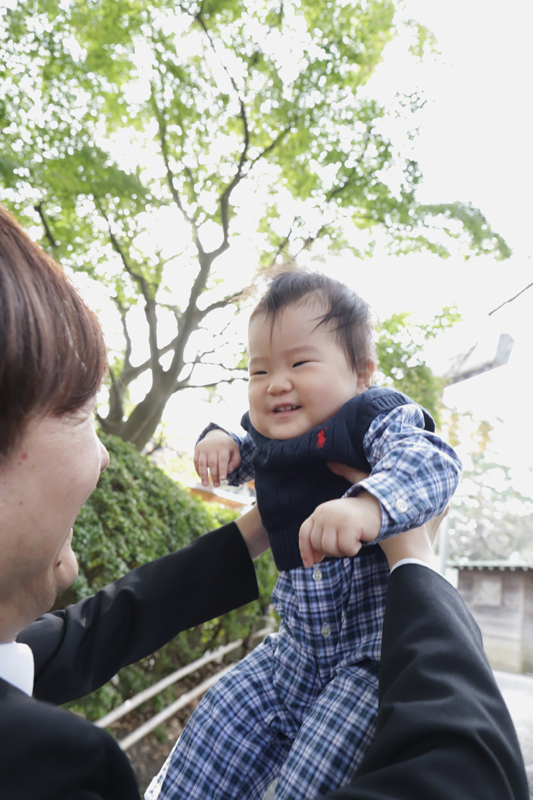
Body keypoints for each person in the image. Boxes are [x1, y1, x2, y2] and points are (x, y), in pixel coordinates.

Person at [149, 272, 463, 800]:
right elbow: (240, 457)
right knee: (215, 729)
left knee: (310, 782)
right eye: (259, 370)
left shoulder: (372, 418)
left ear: (361, 373)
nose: (276, 383)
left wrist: (369, 505)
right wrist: (219, 440)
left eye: (299, 364)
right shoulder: (270, 434)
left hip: (368, 661)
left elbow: (435, 462)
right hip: (290, 655)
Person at [0, 203, 265, 799]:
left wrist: (258, 529)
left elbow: (98, 630)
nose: (105, 458)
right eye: (81, 413)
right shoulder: (54, 770)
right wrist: (414, 563)